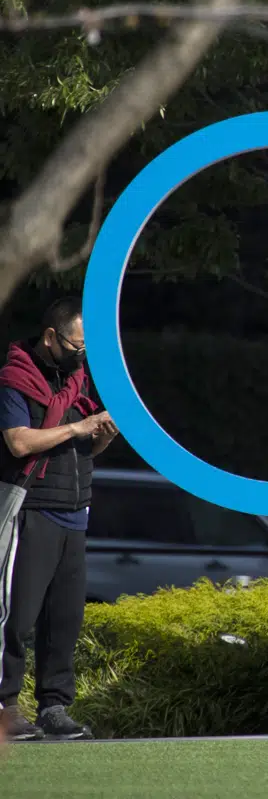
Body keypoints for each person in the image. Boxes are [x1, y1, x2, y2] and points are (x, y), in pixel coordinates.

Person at [0, 298, 118, 741]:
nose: (81, 354)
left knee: (64, 618)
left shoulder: (80, 381)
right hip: (31, 511)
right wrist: (76, 428)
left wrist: (101, 436)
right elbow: (18, 442)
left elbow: (87, 447)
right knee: (16, 616)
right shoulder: (16, 379)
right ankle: (6, 706)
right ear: (51, 337)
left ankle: (54, 706)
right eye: (76, 344)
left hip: (75, 512)